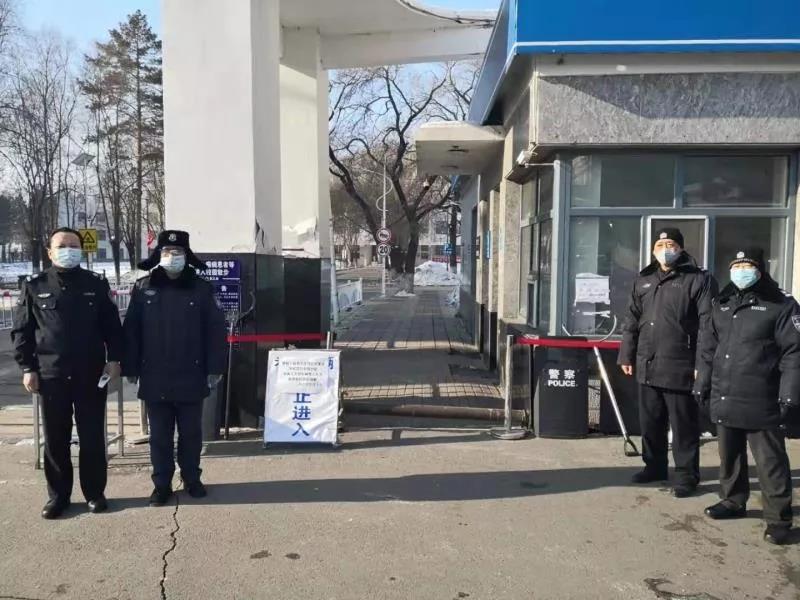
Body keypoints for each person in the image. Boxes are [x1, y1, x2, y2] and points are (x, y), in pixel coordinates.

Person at [11, 227, 123, 519]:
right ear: (50, 252)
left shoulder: (95, 284)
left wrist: (115, 360)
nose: (68, 250)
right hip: (51, 375)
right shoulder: (34, 285)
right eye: (62, 246)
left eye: (73, 245)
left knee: (92, 437)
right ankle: (58, 496)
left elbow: (112, 327)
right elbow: (22, 331)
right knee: (55, 439)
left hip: (90, 374)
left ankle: (94, 493)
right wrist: (27, 368)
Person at [694, 247, 798, 545]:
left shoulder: (781, 304)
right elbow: (707, 349)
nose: (741, 271)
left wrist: (789, 394)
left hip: (762, 396)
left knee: (770, 461)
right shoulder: (722, 303)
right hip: (725, 393)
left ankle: (778, 519)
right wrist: (702, 383)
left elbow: (794, 353)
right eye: (736, 265)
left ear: (760, 269)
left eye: (747, 265)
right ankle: (732, 500)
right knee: (729, 455)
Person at [122, 230, 226, 506]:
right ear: (159, 255)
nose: (172, 257)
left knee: (191, 434)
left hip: (191, 372)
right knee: (159, 436)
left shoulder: (201, 289)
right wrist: (130, 367)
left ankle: (192, 479)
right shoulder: (144, 287)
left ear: (187, 256)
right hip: (154, 374)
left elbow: (216, 331)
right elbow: (131, 330)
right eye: (167, 252)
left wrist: (215, 367)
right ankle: (161, 485)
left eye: (178, 252)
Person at [618, 228, 717, 497]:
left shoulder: (698, 280)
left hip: (681, 365)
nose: (665, 249)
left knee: (683, 425)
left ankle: (686, 475)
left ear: (681, 248)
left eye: (671, 244)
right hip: (647, 363)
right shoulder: (644, 280)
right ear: (653, 250)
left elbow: (708, 326)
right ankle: (654, 467)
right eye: (660, 245)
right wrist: (626, 353)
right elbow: (631, 319)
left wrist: (702, 364)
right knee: (651, 422)